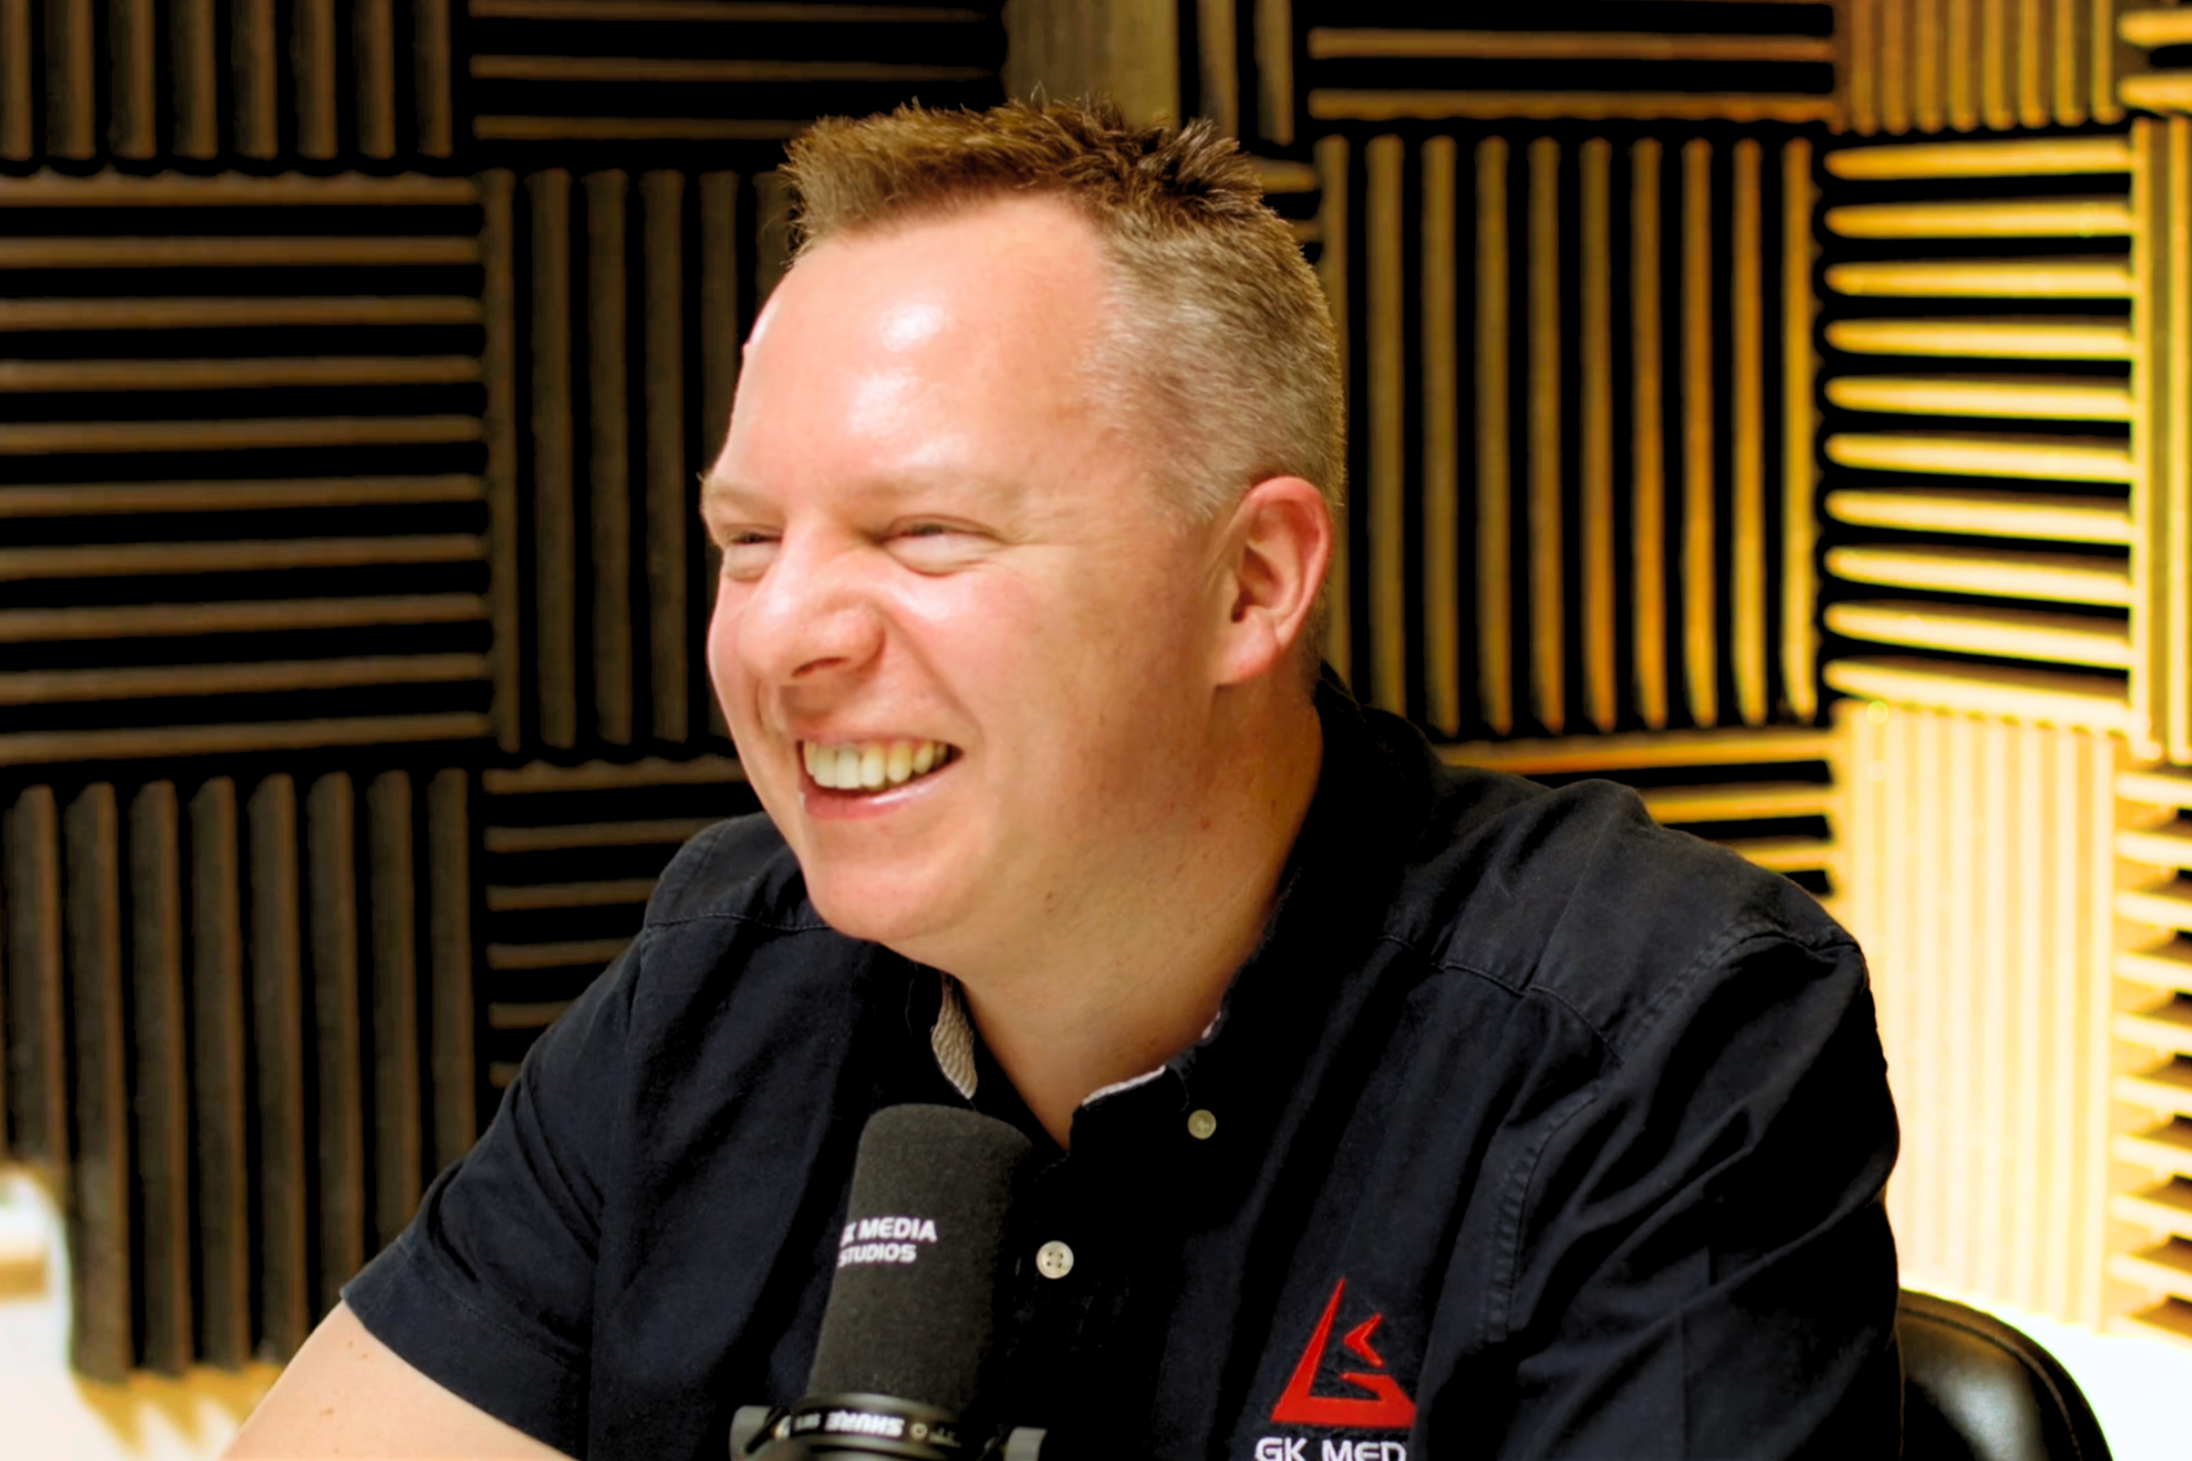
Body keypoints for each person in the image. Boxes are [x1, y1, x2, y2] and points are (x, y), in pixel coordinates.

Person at [224, 99, 1899, 1460]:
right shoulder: (714, 981)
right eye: (747, 542)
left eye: (923, 532)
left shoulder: (1658, 1033)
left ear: (1250, 585)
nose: (784, 633)